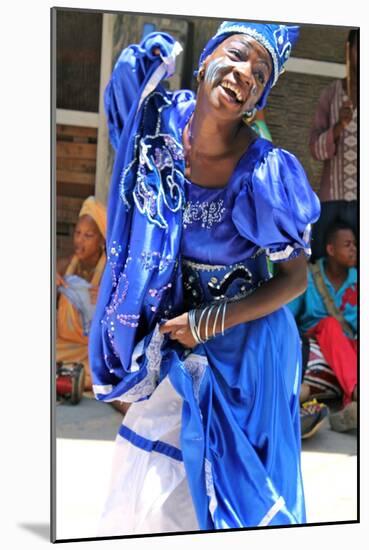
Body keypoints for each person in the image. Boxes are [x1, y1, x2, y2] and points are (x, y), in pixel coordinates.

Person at [89, 21, 320, 534]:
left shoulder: (263, 171)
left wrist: (210, 321)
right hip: (181, 340)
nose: (244, 75)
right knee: (159, 488)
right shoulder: (159, 128)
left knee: (237, 503)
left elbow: (296, 279)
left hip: (249, 355)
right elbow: (126, 92)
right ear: (208, 57)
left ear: (257, 102)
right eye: (237, 56)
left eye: (260, 75)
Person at [288, 221, 357, 432]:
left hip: (347, 345)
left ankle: (351, 411)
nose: (354, 249)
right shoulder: (308, 276)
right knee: (329, 324)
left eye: (355, 244)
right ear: (331, 249)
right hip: (315, 340)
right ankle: (355, 392)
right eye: (348, 244)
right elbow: (287, 317)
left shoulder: (359, 280)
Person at [309, 29, 358, 261]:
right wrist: (339, 126)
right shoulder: (331, 94)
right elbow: (315, 149)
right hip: (331, 200)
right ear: (349, 51)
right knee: (320, 259)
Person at [56, 196, 106, 391]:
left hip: (90, 350)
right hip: (64, 347)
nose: (79, 240)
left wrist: (109, 297)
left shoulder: (110, 274)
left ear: (101, 239)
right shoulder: (63, 266)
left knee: (101, 370)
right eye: (77, 233)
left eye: (88, 235)